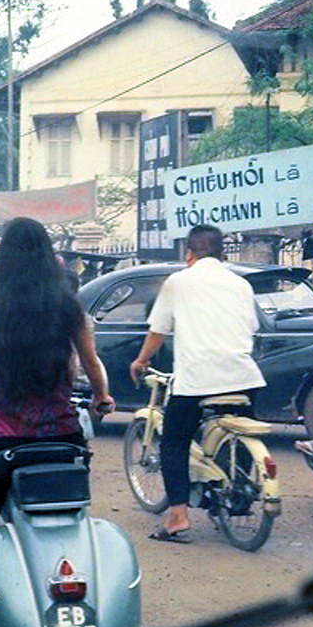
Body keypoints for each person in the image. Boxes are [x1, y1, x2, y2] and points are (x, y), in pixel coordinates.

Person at [0, 217, 113, 627]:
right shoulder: (68, 305)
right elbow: (90, 362)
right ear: (48, 256)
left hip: (2, 440)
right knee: (73, 511)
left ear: (4, 259)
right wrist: (101, 397)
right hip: (63, 437)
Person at [129, 224, 266, 543]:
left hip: (197, 381)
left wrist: (141, 361)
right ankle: (239, 496)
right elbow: (251, 327)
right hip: (245, 377)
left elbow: (158, 330)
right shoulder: (241, 284)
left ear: (188, 253)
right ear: (221, 253)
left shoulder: (179, 281)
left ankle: (177, 516)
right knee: (240, 428)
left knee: (174, 442)